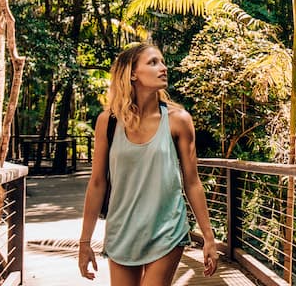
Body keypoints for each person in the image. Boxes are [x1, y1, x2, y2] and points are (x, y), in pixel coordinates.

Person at [78, 41, 219, 285]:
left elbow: (192, 182)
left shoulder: (178, 120)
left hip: (166, 230)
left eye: (162, 62)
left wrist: (208, 237)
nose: (163, 68)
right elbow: (98, 183)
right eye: (153, 62)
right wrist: (84, 242)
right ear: (132, 73)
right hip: (122, 231)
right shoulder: (108, 122)